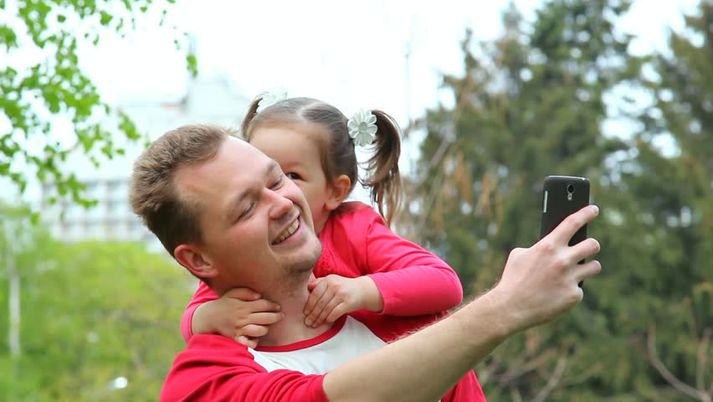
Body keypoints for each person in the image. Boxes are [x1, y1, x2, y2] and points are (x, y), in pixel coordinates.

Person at [130, 124, 601, 402]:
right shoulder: (205, 381)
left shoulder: (404, 321)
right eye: (246, 208)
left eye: (277, 180)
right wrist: (504, 307)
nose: (282, 204)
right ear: (198, 259)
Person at [183, 96, 464, 353]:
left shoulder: (355, 229)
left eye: (290, 175)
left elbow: (445, 283)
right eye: (261, 175)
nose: (274, 193)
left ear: (335, 191)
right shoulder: (244, 248)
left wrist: (363, 290)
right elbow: (194, 315)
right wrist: (211, 316)